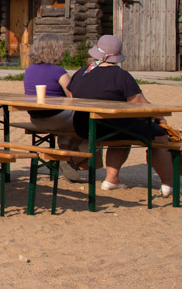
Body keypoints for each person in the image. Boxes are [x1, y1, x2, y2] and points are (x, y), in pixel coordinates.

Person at [67, 35, 175, 196]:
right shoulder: (120, 76)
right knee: (159, 135)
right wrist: (160, 118)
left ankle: (112, 179)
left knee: (122, 134)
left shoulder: (82, 72)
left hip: (83, 126)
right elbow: (141, 103)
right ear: (117, 55)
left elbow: (70, 96)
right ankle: (169, 185)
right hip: (110, 126)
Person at [22, 33, 86, 181]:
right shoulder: (58, 71)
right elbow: (73, 97)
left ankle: (63, 153)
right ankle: (72, 158)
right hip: (57, 117)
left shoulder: (29, 69)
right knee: (90, 123)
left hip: (36, 118)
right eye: (61, 48)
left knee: (66, 126)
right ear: (54, 49)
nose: (63, 51)